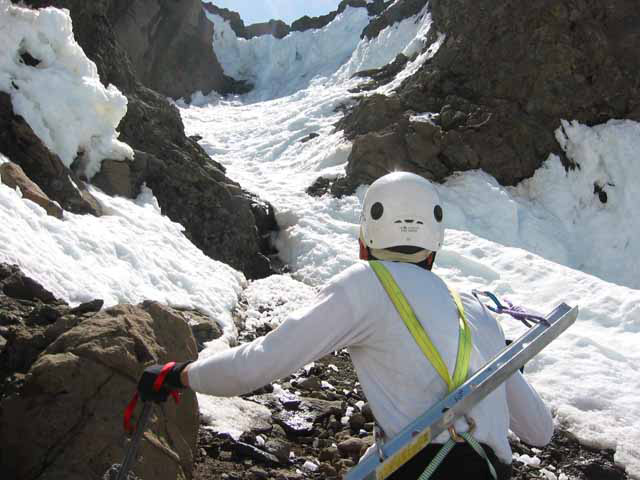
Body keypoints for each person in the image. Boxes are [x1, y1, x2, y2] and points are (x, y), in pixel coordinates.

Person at [138, 171, 553, 479]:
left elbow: (259, 364)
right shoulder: (474, 309)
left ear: (364, 239)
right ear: (435, 243)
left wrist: (180, 375)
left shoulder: (367, 283)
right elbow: (540, 431)